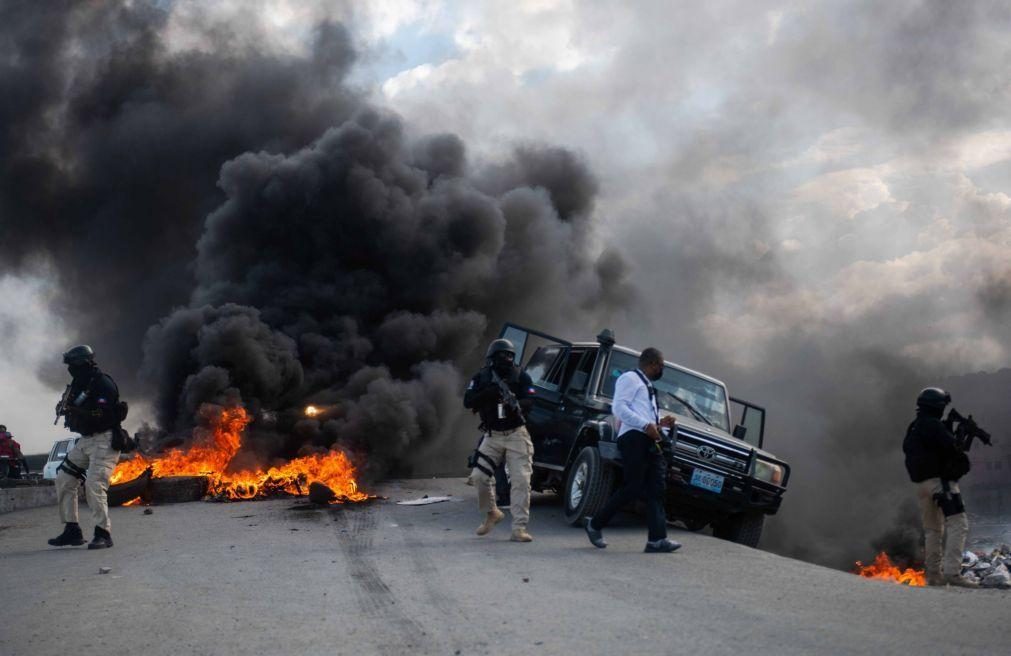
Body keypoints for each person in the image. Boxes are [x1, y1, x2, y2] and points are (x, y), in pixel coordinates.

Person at [584, 347, 681, 553]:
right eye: (661, 366)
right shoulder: (630, 378)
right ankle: (595, 524)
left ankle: (657, 540)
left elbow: (643, 415)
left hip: (647, 439)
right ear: (652, 364)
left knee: (657, 488)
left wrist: (660, 423)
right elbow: (619, 408)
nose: (661, 371)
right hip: (633, 438)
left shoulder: (647, 386)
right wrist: (646, 426)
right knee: (633, 487)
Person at [48, 345, 124, 550]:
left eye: (72, 365)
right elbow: (73, 405)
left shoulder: (102, 384)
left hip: (105, 440)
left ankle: (103, 533)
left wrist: (75, 410)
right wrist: (64, 408)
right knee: (64, 478)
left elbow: (102, 415)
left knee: (94, 485)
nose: (70, 369)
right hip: (86, 440)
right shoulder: (78, 383)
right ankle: (72, 530)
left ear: (83, 363)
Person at [902, 387, 977, 587]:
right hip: (941, 484)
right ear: (937, 406)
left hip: (922, 486)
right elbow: (953, 449)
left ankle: (933, 575)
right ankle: (953, 573)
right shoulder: (934, 426)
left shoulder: (915, 426)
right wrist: (962, 435)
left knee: (933, 529)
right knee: (958, 524)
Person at [463, 338, 535, 542]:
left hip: (516, 434)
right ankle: (492, 513)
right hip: (492, 436)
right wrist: (489, 393)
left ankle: (519, 528)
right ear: (492, 358)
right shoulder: (481, 377)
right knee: (479, 477)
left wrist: (515, 403)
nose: (507, 359)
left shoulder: (521, 376)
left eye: (510, 355)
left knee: (521, 481)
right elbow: (468, 401)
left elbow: (531, 400)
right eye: (503, 355)